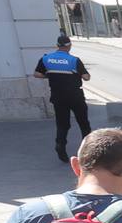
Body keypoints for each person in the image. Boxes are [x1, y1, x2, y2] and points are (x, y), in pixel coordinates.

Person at [35, 33, 92, 163]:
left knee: (62, 124)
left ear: (57, 46)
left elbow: (37, 74)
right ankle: (89, 151)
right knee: (83, 123)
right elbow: (86, 77)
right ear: (69, 46)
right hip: (75, 96)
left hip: (58, 96)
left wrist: (50, 75)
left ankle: (60, 145)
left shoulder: (46, 59)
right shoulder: (74, 60)